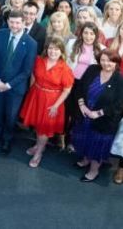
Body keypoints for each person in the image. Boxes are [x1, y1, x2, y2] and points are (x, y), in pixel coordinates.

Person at [0, 10, 37, 155]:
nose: (14, 25)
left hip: (15, 88)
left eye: (18, 22)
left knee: (11, 116)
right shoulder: (0, 34)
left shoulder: (31, 43)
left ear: (23, 23)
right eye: (12, 22)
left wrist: (8, 85)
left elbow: (26, 71)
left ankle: (7, 139)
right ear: (8, 22)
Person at [71, 50, 123, 182]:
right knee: (84, 139)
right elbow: (80, 88)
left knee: (97, 145)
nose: (106, 63)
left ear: (116, 63)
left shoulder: (121, 81)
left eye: (110, 61)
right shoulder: (92, 69)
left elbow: (118, 106)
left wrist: (96, 114)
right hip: (85, 113)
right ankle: (85, 159)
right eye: (103, 60)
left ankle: (94, 171)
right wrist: (82, 106)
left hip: (104, 120)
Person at [20, 38, 74, 168]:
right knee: (38, 125)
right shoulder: (39, 60)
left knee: (44, 129)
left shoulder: (65, 69)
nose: (52, 51)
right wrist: (30, 90)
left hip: (52, 101)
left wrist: (56, 105)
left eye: (56, 49)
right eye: (50, 48)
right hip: (36, 95)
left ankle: (38, 153)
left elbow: (67, 90)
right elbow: (34, 75)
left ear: (61, 52)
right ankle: (38, 145)